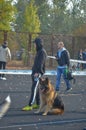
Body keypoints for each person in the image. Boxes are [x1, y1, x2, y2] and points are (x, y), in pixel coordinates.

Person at [22, 37, 47, 111]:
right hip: (35, 72)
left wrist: (38, 72)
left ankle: (30, 105)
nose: (34, 45)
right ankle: (38, 104)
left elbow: (41, 63)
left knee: (34, 88)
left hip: (37, 73)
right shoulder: (39, 51)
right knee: (36, 88)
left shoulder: (42, 52)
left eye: (35, 43)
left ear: (38, 44)